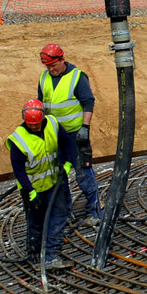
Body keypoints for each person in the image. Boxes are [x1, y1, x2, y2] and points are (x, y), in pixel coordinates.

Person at [37, 42, 101, 219]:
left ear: (62, 59)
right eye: (47, 66)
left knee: (84, 174)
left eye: (53, 65)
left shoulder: (77, 77)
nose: (51, 69)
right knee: (59, 176)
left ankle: (94, 212)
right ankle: (65, 213)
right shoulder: (44, 78)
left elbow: (88, 102)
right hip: (55, 137)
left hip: (75, 136)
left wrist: (85, 128)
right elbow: (42, 104)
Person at [7, 98, 70, 266]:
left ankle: (52, 255)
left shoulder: (53, 124)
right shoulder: (19, 140)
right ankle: (35, 257)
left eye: (37, 124)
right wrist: (31, 191)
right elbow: (18, 169)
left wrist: (68, 162)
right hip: (33, 189)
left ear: (43, 118)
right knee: (36, 222)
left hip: (53, 183)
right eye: (31, 124)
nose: (34, 127)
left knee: (59, 215)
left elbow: (67, 142)